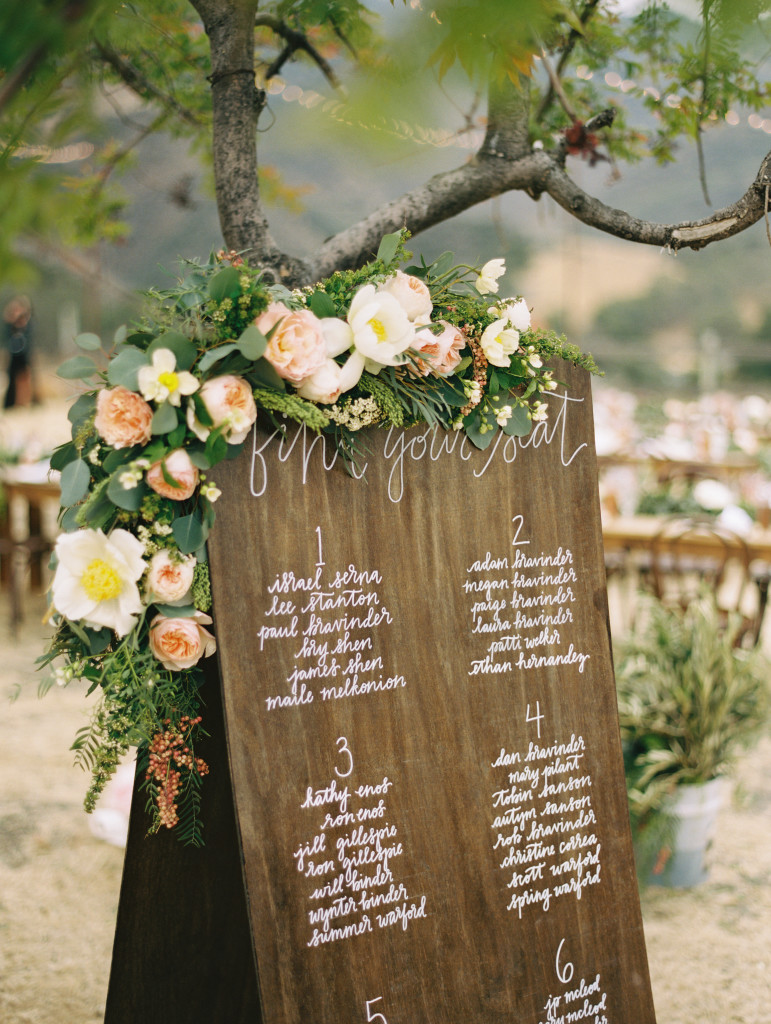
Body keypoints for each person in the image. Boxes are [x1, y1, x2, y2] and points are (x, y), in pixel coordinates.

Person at [3, 295, 34, 408]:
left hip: (24, 354)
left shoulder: (27, 322)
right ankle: (12, 402)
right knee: (12, 378)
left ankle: (26, 401)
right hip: (13, 354)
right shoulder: (10, 323)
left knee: (26, 378)